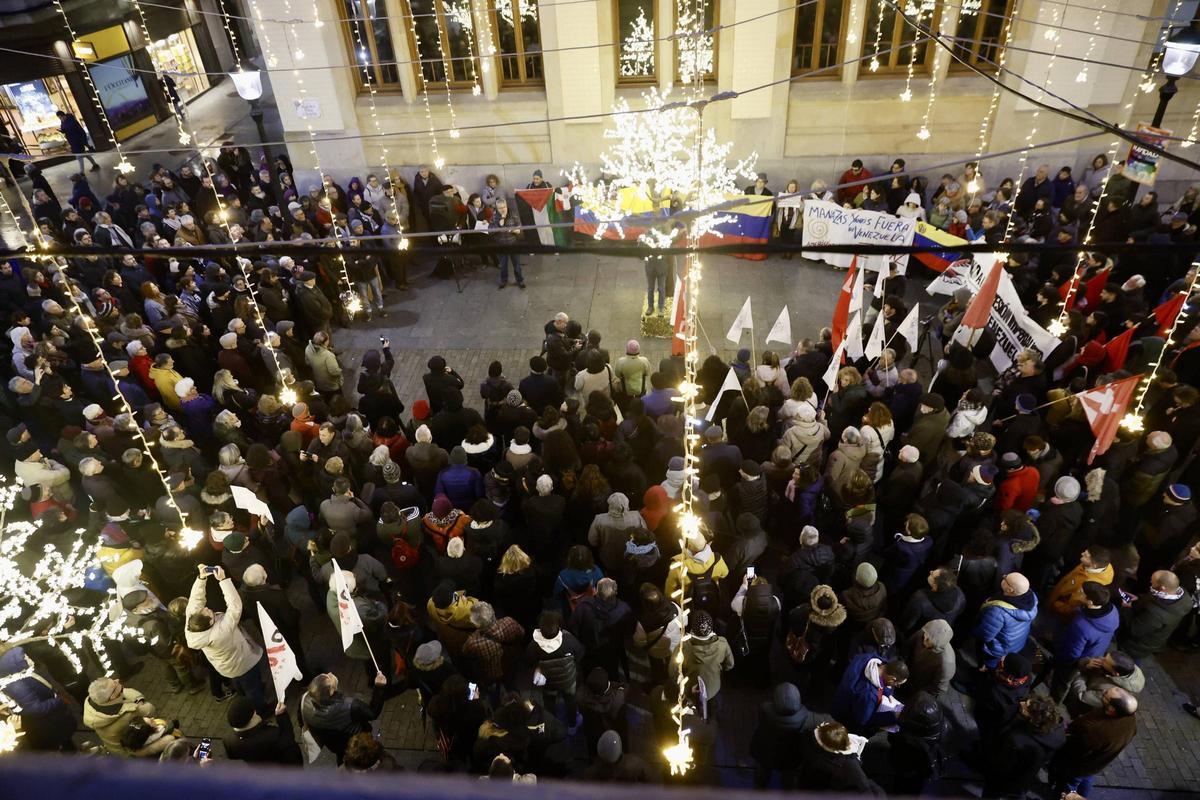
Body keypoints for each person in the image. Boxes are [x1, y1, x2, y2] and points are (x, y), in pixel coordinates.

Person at [184, 566, 267, 712]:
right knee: (253, 688)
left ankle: (244, 696)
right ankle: (261, 711)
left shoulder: (192, 625)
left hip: (226, 667)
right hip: (243, 663)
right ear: (210, 623)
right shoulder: (221, 631)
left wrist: (201, 578)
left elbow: (195, 600)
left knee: (240, 684)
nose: (208, 609)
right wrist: (223, 580)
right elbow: (235, 607)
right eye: (209, 614)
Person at [1049, 688, 1139, 798]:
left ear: (1111, 709)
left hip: (1079, 765)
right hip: (1096, 763)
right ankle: (1082, 794)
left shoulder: (1096, 731)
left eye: (1105, 695)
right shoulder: (1129, 717)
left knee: (1068, 785)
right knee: (1086, 778)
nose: (1103, 693)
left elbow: (1075, 749)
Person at [830, 654, 908, 735]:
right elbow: (864, 719)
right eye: (897, 684)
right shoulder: (869, 695)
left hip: (841, 703)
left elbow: (886, 674)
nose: (897, 686)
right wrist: (892, 717)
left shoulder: (869, 658)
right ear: (892, 679)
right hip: (849, 721)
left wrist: (888, 693)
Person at [224, 698, 303, 764]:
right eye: (255, 714)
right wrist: (282, 716)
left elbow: (232, 756)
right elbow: (288, 739)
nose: (257, 714)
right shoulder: (272, 735)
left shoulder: (228, 740)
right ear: (250, 720)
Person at [490, 197, 525, 289]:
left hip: (513, 243)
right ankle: (503, 281)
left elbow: (519, 226)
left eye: (504, 207)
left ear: (506, 205)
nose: (503, 209)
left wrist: (516, 230)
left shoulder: (513, 213)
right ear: (497, 208)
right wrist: (499, 224)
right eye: (500, 208)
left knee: (517, 264)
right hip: (501, 244)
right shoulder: (494, 216)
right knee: (503, 265)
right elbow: (490, 230)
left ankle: (520, 280)